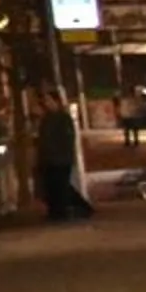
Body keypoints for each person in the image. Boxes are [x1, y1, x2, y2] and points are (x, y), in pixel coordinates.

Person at [35, 90, 91, 222]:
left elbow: (67, 139)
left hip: (60, 159)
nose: (46, 103)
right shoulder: (46, 119)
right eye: (45, 100)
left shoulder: (63, 118)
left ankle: (64, 211)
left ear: (56, 101)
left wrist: (62, 154)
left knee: (61, 186)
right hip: (48, 159)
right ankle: (56, 212)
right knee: (53, 186)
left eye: (49, 100)